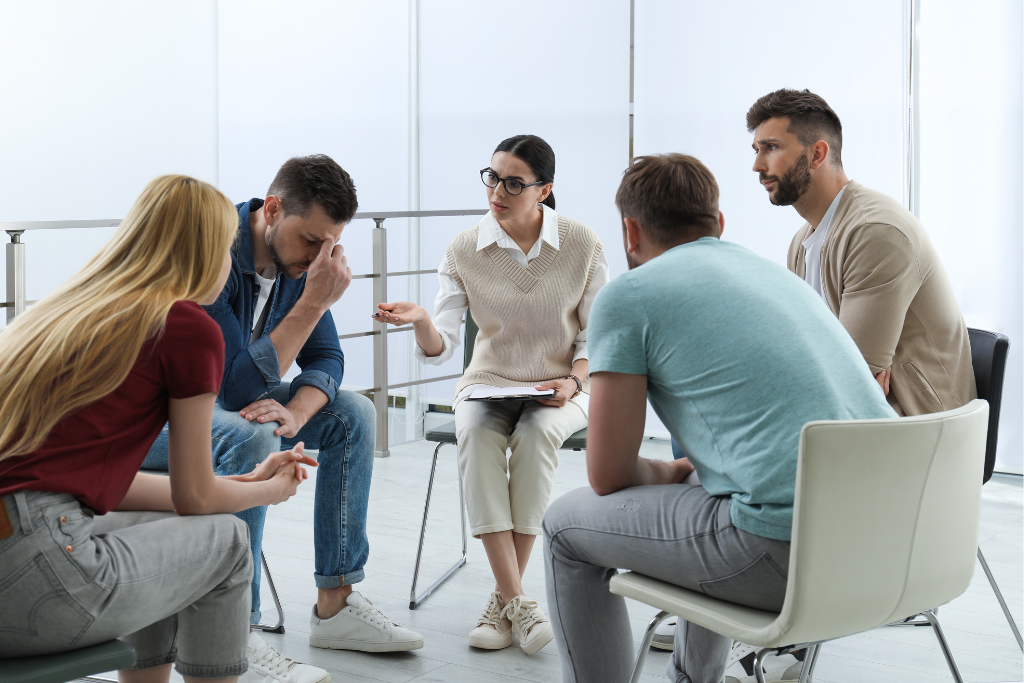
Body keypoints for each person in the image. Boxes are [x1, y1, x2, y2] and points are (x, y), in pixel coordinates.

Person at [542, 154, 896, 683]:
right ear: (719, 224)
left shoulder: (630, 296)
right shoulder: (777, 277)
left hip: (789, 560)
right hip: (892, 548)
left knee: (563, 527)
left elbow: (607, 474)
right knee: (715, 489)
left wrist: (668, 470)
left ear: (630, 231)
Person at [0, 175, 314, 682]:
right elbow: (194, 497)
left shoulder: (65, 314)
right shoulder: (186, 328)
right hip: (36, 574)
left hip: (15, 552)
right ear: (208, 249)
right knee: (229, 543)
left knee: (165, 528)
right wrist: (270, 493)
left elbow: (107, 484)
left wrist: (243, 482)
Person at [141, 155, 423, 682]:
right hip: (160, 414)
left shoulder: (297, 262)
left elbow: (329, 359)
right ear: (272, 210)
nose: (320, 256)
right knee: (249, 435)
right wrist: (313, 302)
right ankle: (236, 634)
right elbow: (226, 388)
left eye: (330, 245)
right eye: (311, 240)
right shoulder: (214, 248)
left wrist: (296, 411)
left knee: (353, 414)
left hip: (230, 403)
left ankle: (335, 605)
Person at [376, 135, 608, 655]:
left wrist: (572, 382)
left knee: (538, 433)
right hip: (489, 384)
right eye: (492, 176)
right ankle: (518, 600)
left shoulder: (582, 244)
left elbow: (598, 336)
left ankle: (504, 599)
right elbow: (442, 348)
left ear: (545, 190)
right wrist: (419, 323)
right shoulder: (464, 249)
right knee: (475, 434)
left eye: (513, 183)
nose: (496, 191)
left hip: (563, 387)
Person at [748, 88, 976, 417]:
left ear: (817, 155)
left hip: (918, 429)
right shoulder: (802, 243)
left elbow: (851, 380)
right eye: (756, 150)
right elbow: (809, 362)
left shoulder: (876, 232)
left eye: (770, 148)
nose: (756, 165)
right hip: (851, 420)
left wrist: (842, 376)